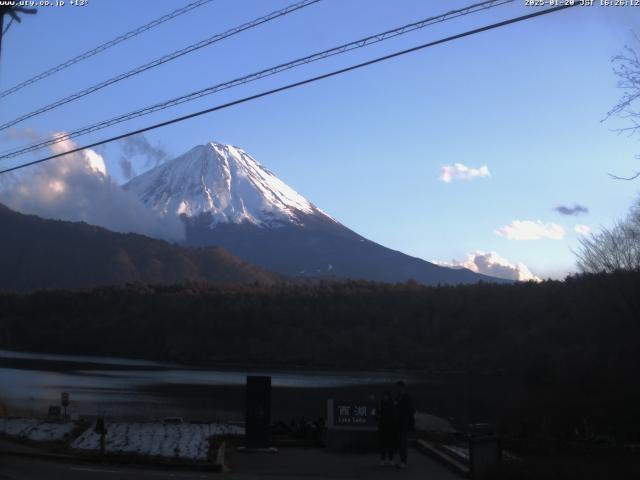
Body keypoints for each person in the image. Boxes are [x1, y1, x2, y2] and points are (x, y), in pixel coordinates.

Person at [394, 380, 414, 468]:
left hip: (404, 422)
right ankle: (402, 460)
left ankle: (404, 461)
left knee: (403, 442)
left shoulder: (407, 396)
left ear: (402, 387)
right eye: (397, 387)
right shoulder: (398, 396)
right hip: (398, 422)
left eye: (399, 387)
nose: (398, 389)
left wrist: (410, 423)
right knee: (399, 441)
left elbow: (410, 410)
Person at [377, 391, 396, 466]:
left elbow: (394, 416)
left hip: (390, 427)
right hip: (383, 427)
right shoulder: (381, 404)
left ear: (389, 397)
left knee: (390, 444)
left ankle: (391, 459)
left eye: (386, 396)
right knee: (383, 445)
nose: (385, 397)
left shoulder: (392, 405)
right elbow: (378, 414)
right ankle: (383, 460)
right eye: (384, 396)